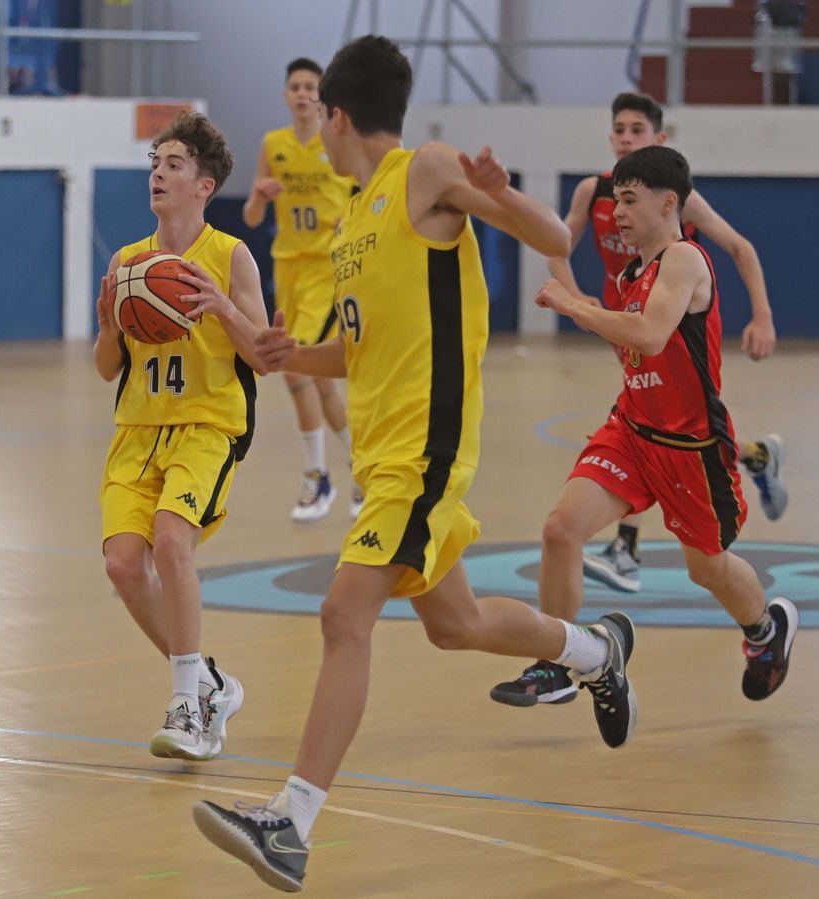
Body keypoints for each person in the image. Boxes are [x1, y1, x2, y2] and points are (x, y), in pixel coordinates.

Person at [192, 38, 636, 893]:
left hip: (426, 454)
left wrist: (503, 196)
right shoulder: (357, 219)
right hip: (382, 455)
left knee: (342, 615)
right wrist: (286, 354)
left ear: (337, 117)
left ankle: (292, 819)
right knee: (455, 624)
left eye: (319, 114)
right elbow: (360, 351)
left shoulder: (423, 170)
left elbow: (551, 235)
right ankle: (594, 649)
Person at [506, 146, 799, 715]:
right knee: (561, 531)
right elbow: (635, 346)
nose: (617, 211)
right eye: (615, 198)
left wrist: (573, 307)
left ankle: (766, 632)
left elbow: (649, 335)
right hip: (633, 431)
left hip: (691, 446)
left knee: (706, 567)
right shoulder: (634, 272)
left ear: (669, 203)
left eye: (630, 199)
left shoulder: (685, 258)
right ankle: (563, 659)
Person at [551, 91, 786, 598]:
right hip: (626, 317)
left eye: (638, 130)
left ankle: (629, 547)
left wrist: (762, 314)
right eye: (619, 129)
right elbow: (554, 247)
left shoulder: (676, 214)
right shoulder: (595, 194)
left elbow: (739, 247)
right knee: (648, 416)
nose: (626, 137)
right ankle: (754, 456)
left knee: (671, 417)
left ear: (657, 138)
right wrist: (574, 294)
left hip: (656, 319)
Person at [94, 111, 268, 761]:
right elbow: (108, 367)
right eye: (155, 163)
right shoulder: (128, 261)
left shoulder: (231, 255)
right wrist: (109, 324)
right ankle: (211, 682)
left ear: (205, 184)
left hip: (209, 424)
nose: (159, 174)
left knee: (172, 542)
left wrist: (223, 305)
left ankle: (187, 706)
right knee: (120, 564)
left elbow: (265, 353)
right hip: (138, 428)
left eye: (174, 164)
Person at [243, 58, 361, 522]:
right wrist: (258, 198)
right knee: (321, 382)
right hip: (286, 269)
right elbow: (252, 218)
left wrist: (347, 222)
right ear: (286, 94)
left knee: (293, 365)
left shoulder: (338, 141)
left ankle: (317, 477)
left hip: (326, 269)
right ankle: (362, 467)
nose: (303, 93)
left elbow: (369, 198)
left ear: (322, 95)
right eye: (295, 86)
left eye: (311, 86)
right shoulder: (274, 144)